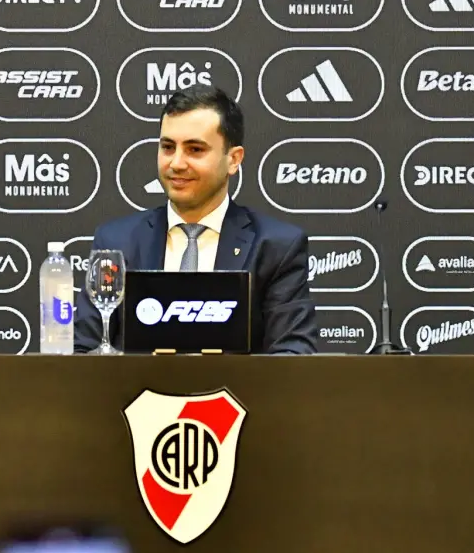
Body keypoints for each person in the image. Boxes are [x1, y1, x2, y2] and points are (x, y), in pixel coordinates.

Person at [73, 86, 317, 354]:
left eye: (195, 149)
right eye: (168, 147)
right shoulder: (117, 242)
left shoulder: (276, 247)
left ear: (233, 159)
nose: (176, 163)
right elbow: (85, 350)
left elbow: (292, 354)